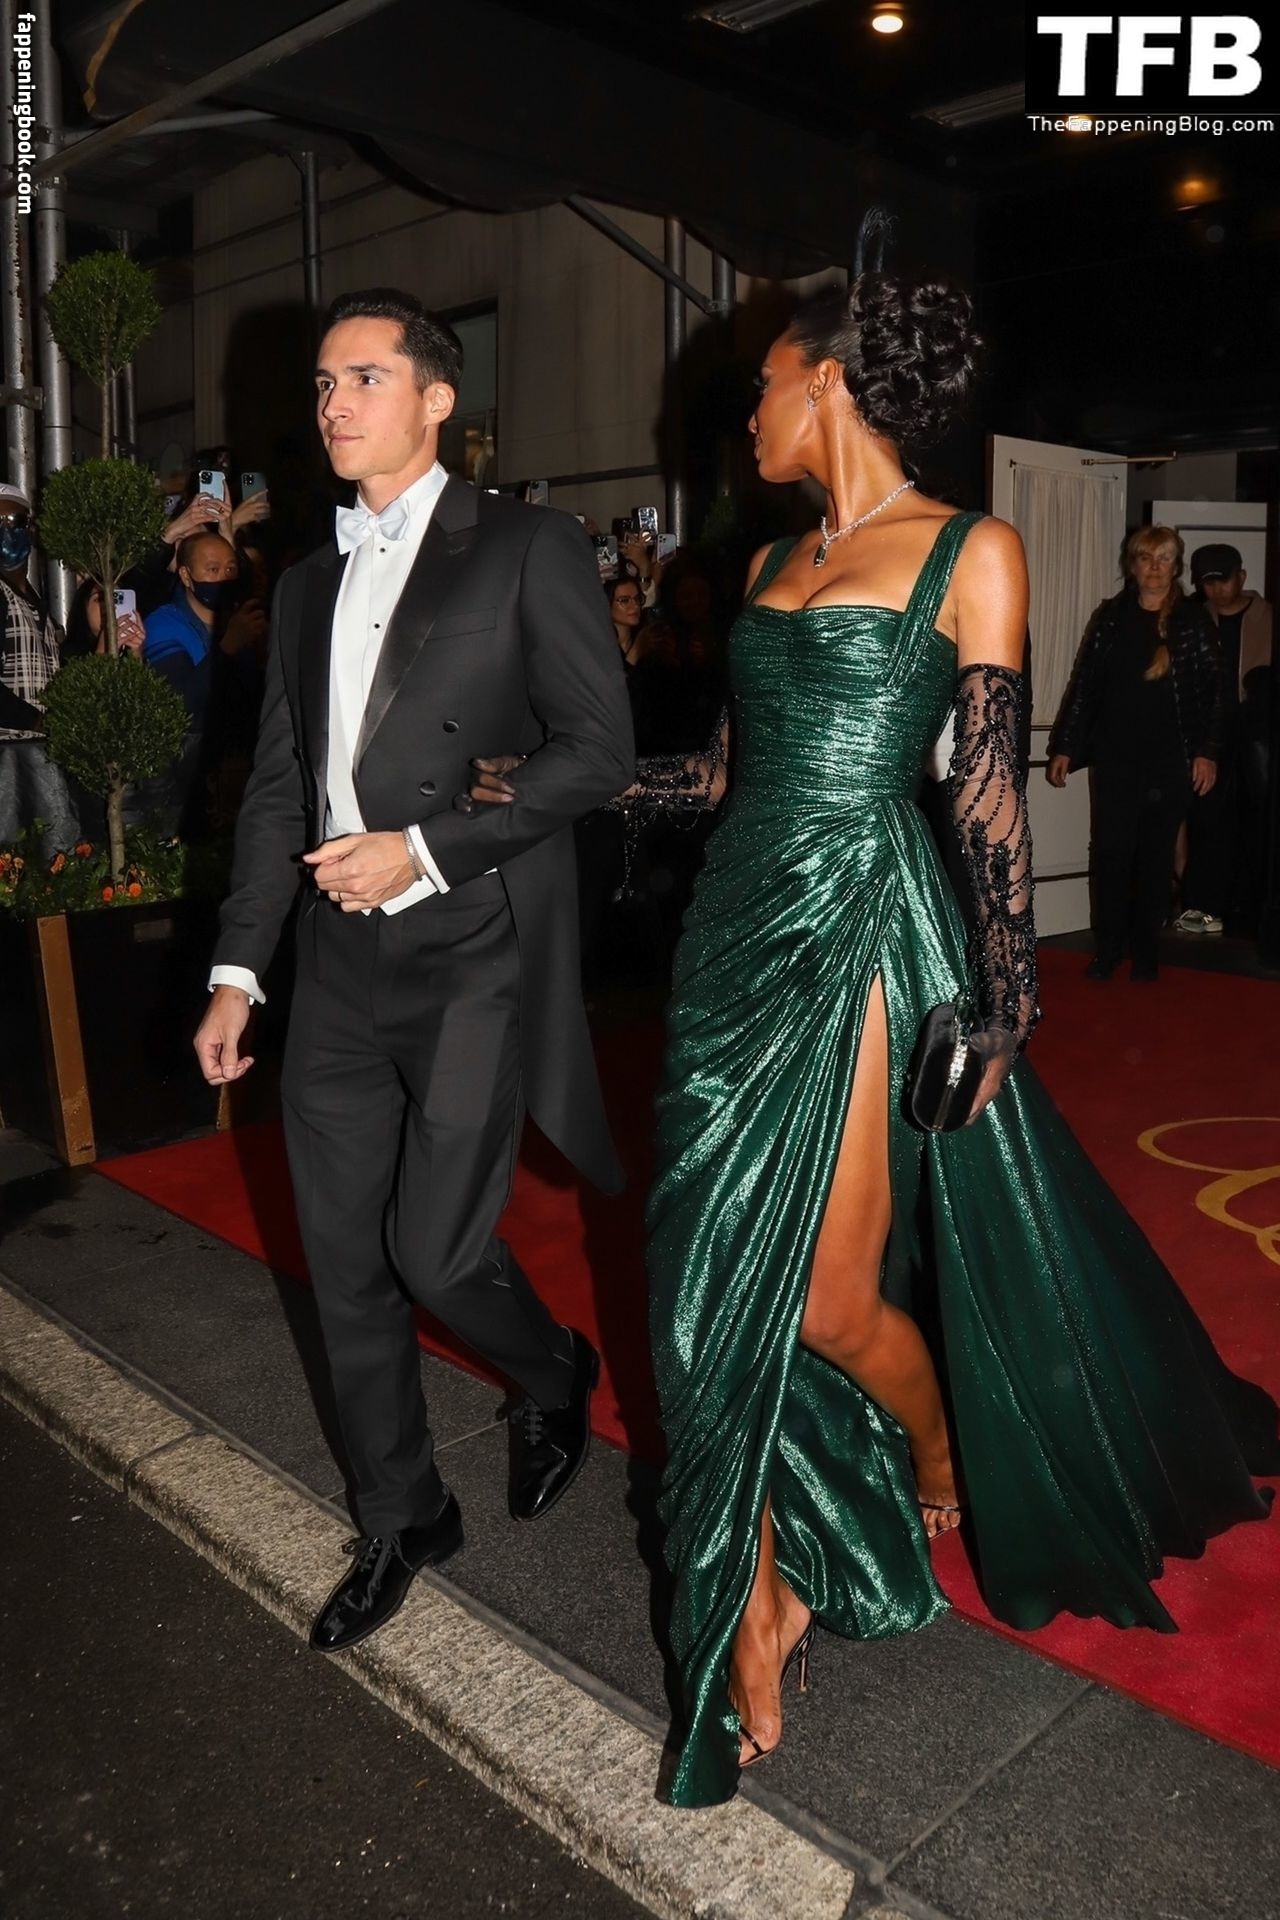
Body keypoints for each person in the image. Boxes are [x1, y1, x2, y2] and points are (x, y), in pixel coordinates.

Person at [471, 275, 1278, 1806]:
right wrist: (565, 784)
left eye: (764, 385)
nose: (748, 415)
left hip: (855, 928)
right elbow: (728, 773)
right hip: (732, 935)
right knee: (701, 1279)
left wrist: (1007, 995)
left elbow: (983, 785)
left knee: (833, 1300)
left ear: (829, 384)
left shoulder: (974, 550)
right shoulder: (770, 560)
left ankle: (924, 1471)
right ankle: (772, 1584)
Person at [193, 287, 634, 1656]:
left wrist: (427, 851)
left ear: (437, 400)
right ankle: (403, 1513)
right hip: (333, 966)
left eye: (364, 379)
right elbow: (281, 790)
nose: (333, 403)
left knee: (434, 1252)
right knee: (344, 1264)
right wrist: (237, 970)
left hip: (470, 950)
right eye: (324, 384)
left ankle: (553, 1369)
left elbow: (598, 751)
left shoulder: (529, 546)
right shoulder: (305, 583)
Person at [1047, 527, 1221, 981]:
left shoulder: (1193, 621)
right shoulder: (1111, 616)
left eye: (1164, 559)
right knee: (1110, 854)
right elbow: (1085, 686)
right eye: (1147, 558)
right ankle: (1108, 949)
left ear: (1176, 567)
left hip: (1171, 760)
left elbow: (1215, 694)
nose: (1155, 567)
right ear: (1133, 564)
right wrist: (1066, 746)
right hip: (1116, 758)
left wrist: (1207, 752)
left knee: (1155, 858)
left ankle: (1146, 953)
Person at [1178, 542, 1274, 936]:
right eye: (1207, 583)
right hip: (1210, 735)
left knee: (1258, 819)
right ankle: (1205, 906)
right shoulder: (1195, 619)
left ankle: (1253, 910)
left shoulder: (1268, 617)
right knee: (1208, 820)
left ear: (1242, 577)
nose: (1216, 590)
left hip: (1259, 733)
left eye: (1223, 580)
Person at [0, 481, 80, 857]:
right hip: (8, 757)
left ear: (31, 528)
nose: (6, 532)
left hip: (36, 754)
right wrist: (34, 719)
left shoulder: (34, 598)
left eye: (14, 522)